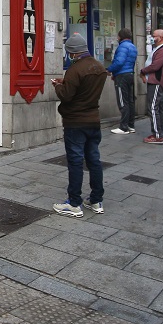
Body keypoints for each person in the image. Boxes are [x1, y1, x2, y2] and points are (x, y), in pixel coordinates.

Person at [50, 33, 108, 217]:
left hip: (75, 122)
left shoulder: (75, 69)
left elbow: (67, 95)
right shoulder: (99, 67)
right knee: (94, 160)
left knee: (75, 161)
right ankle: (96, 200)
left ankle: (74, 203)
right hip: (93, 119)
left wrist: (57, 86)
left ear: (73, 52)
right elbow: (83, 88)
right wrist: (65, 83)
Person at [140, 29, 163, 145]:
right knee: (157, 108)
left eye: (154, 36)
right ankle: (162, 133)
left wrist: (143, 71)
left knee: (153, 107)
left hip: (156, 81)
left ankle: (158, 135)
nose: (152, 37)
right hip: (154, 81)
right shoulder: (159, 49)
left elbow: (155, 66)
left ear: (160, 37)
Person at [106, 28, 137, 135]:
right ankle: (130, 125)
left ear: (121, 37)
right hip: (130, 74)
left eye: (118, 36)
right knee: (130, 100)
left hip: (122, 76)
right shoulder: (132, 46)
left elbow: (119, 62)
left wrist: (109, 70)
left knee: (122, 101)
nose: (117, 38)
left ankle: (123, 127)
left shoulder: (123, 47)